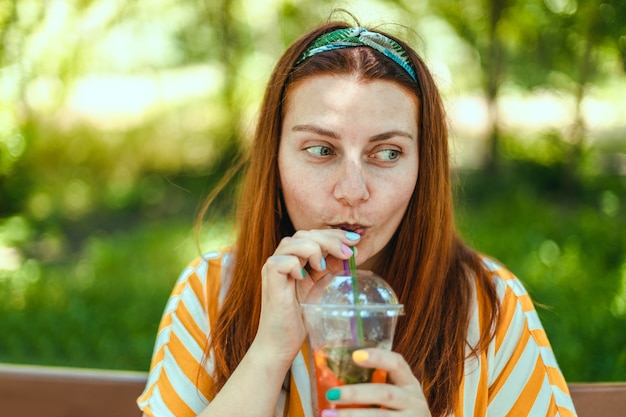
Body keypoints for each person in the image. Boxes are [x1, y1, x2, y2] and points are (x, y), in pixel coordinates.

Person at [137, 19, 578, 417]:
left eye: (387, 153)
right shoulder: (212, 292)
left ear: (423, 168)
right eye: (321, 150)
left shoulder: (488, 304)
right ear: (275, 158)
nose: (352, 191)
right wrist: (268, 354)